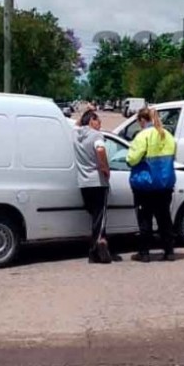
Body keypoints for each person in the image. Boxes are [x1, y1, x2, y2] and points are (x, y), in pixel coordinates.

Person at [126, 107, 177, 263]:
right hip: (165, 184)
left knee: (145, 219)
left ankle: (144, 253)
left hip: (146, 185)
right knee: (164, 218)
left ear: (142, 120)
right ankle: (169, 251)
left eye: (138, 122)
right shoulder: (168, 135)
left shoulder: (143, 136)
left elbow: (131, 159)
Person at [74, 110, 113, 264]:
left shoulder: (75, 135)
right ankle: (95, 251)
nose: (100, 124)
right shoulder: (97, 136)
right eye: (98, 121)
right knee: (100, 217)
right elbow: (101, 150)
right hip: (97, 182)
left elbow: (77, 124)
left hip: (83, 183)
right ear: (91, 121)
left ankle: (98, 248)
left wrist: (86, 112)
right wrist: (105, 168)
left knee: (95, 217)